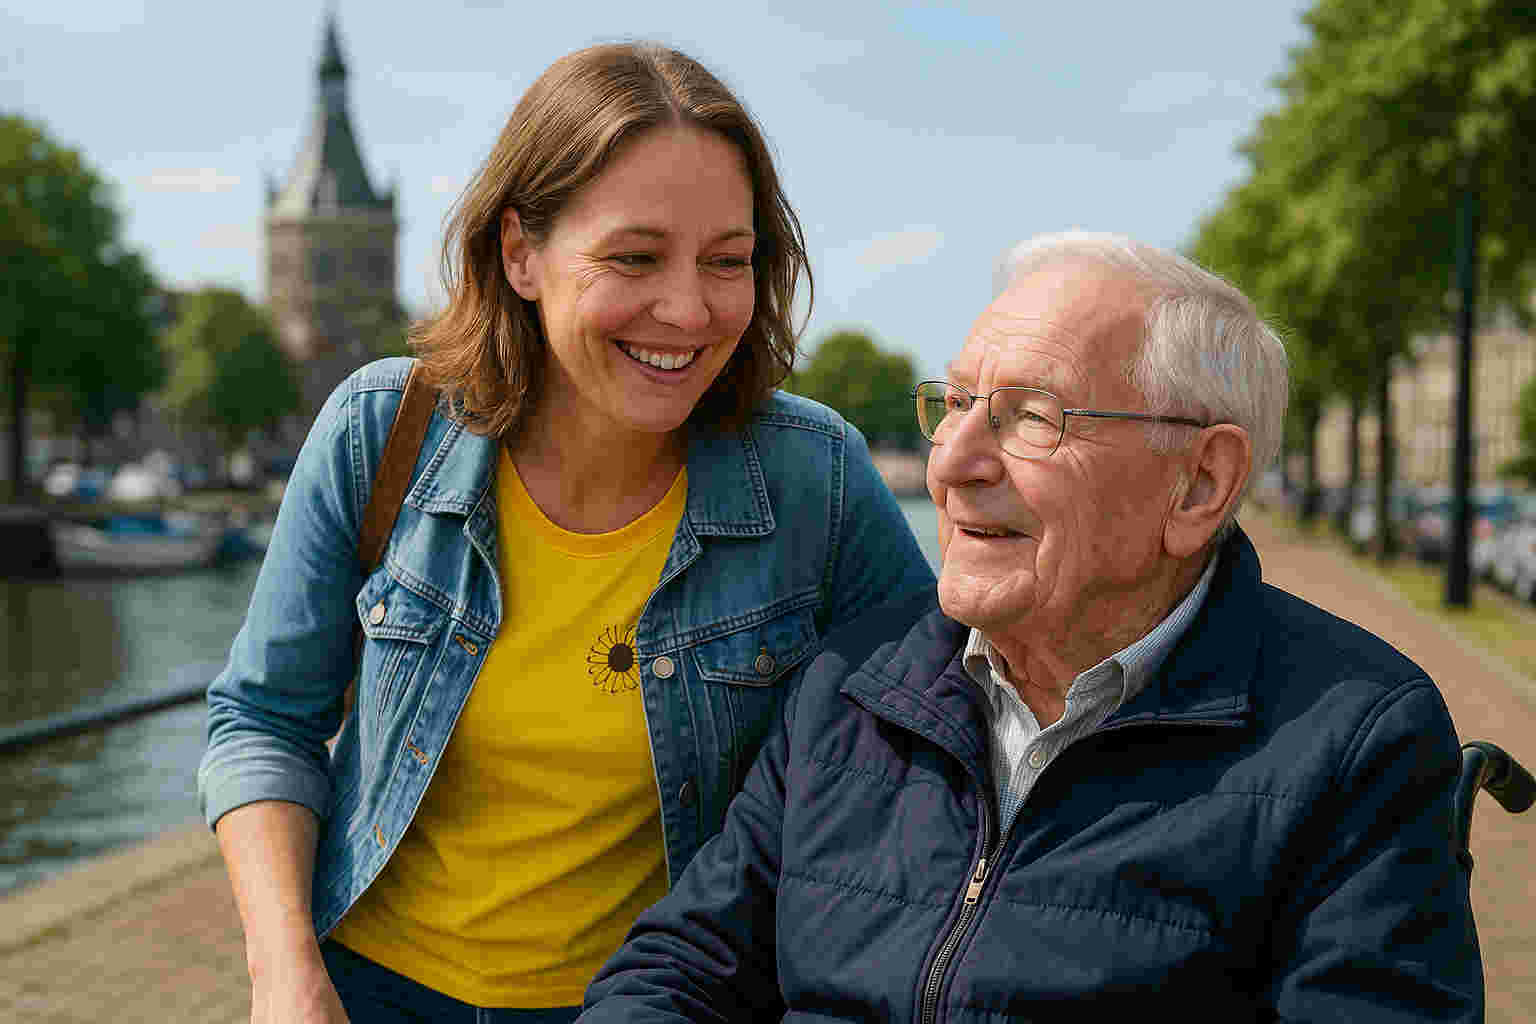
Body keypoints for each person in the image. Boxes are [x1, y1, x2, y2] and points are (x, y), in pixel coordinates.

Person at [198, 42, 934, 1023]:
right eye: (635, 256)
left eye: (728, 260)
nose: (687, 308)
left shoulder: (819, 479)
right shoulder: (380, 431)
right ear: (520, 254)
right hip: (366, 989)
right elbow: (263, 719)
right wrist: (284, 974)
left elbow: (936, 748)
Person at [579, 232, 1484, 1022]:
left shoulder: (1358, 741)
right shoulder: (853, 678)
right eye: (959, 404)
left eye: (1032, 418)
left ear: (1200, 484)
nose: (954, 461)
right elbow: (682, 968)